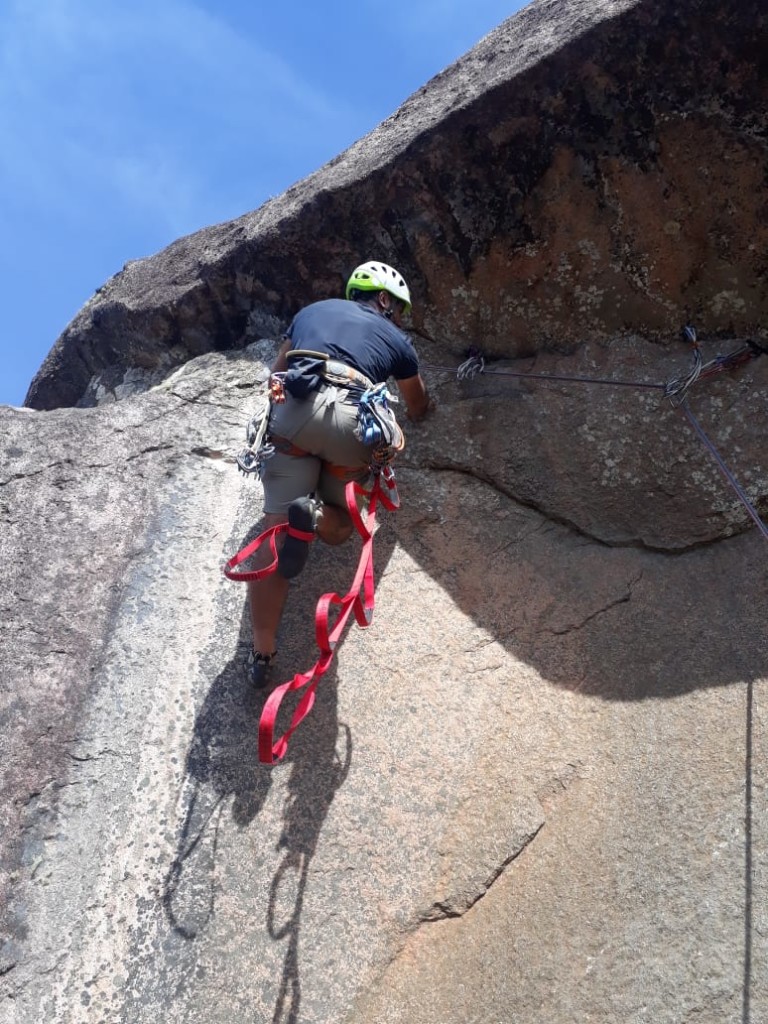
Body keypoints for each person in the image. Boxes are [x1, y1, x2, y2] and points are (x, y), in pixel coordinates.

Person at [245, 260, 433, 687]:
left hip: (294, 410)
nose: (398, 318)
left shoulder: (311, 312)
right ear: (383, 299)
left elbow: (276, 371)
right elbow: (417, 405)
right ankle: (314, 515)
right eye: (397, 309)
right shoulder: (396, 339)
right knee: (344, 524)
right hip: (350, 422)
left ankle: (262, 651)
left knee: (274, 533)